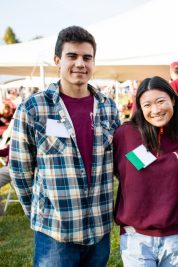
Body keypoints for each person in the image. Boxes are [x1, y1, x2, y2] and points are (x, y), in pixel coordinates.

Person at [9, 26, 120, 266]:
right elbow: (19, 169)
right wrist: (40, 212)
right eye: (72, 56)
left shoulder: (108, 108)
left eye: (87, 57)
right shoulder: (33, 108)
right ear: (57, 60)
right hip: (55, 233)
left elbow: (121, 159)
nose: (80, 63)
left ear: (93, 62)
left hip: (99, 229)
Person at [113, 76, 178, 266]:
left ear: (172, 99)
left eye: (160, 101)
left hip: (176, 236)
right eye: (147, 104)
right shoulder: (125, 135)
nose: (155, 110)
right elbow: (117, 170)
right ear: (139, 107)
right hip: (136, 239)